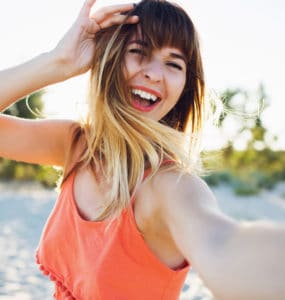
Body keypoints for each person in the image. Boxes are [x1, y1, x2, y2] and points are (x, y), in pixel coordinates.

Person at [0, 0, 284, 299]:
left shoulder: (169, 186)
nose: (154, 74)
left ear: (185, 87)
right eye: (139, 52)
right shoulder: (77, 144)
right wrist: (59, 61)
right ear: (111, 58)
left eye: (173, 64)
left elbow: (222, 245)